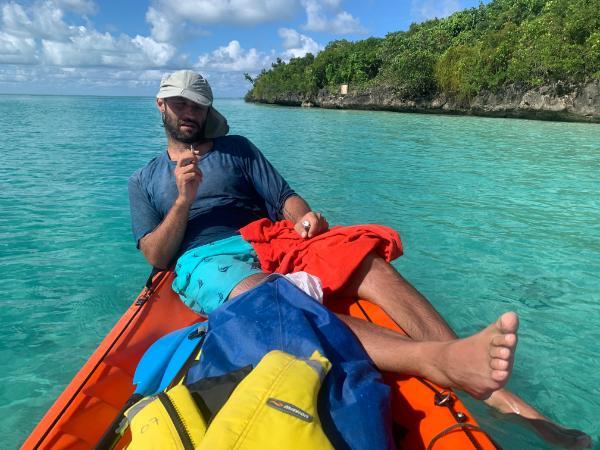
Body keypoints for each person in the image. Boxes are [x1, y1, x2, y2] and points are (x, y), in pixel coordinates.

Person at [128, 70, 591, 448]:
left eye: (198, 104)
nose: (189, 112)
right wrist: (184, 201)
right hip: (204, 255)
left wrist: (306, 217)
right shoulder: (145, 180)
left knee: (364, 256)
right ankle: (434, 360)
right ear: (161, 105)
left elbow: (285, 199)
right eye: (180, 103)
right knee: (272, 298)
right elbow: (158, 254)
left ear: (208, 110)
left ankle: (492, 390)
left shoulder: (239, 150)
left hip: (269, 236)